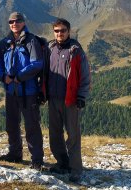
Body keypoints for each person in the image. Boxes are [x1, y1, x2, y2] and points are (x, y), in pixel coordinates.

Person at [0, 12, 44, 170]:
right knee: (11, 124)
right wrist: (3, 76)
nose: (14, 23)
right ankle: (15, 154)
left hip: (28, 91)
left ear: (23, 22)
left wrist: (19, 77)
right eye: (11, 21)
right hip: (11, 91)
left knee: (32, 126)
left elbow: (37, 63)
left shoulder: (31, 41)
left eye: (18, 21)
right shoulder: (5, 42)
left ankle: (36, 159)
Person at [46, 18, 90, 183]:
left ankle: (76, 169)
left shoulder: (76, 50)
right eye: (57, 31)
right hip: (53, 99)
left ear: (68, 31)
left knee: (72, 135)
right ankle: (62, 163)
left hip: (70, 100)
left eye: (63, 30)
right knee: (55, 134)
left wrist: (81, 96)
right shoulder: (50, 49)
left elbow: (85, 75)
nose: (60, 34)